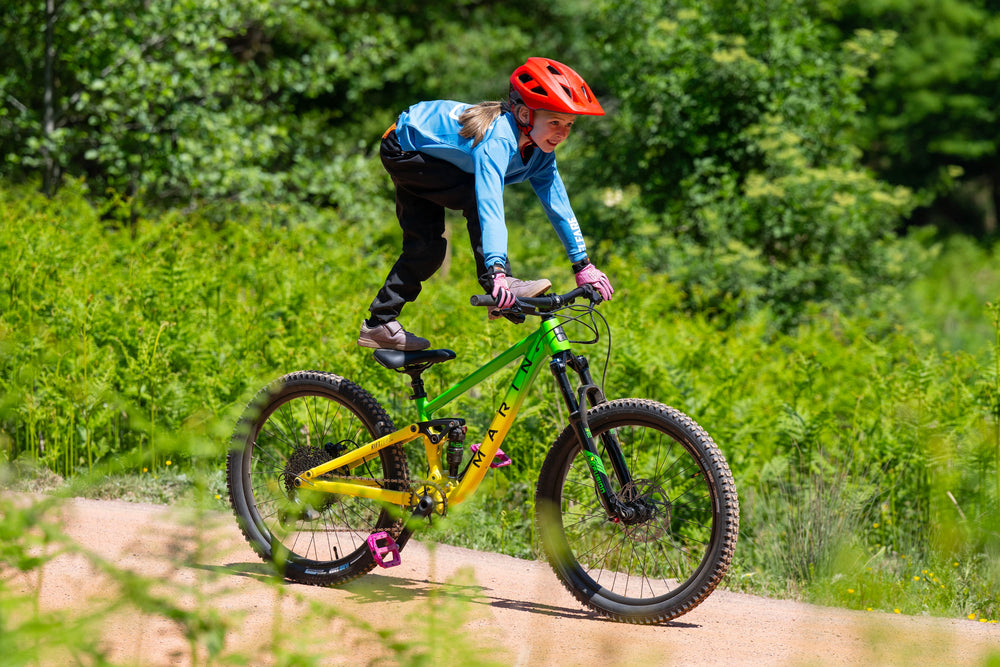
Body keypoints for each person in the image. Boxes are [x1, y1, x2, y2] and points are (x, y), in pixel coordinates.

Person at [358, 56, 614, 351]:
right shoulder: (498, 140)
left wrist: (582, 264)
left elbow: (559, 206)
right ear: (523, 114)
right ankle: (497, 288)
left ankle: (379, 323)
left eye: (569, 124)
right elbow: (489, 204)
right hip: (403, 148)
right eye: (554, 122)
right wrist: (497, 274)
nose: (562, 132)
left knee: (426, 251)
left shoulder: (542, 155)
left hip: (428, 158)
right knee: (474, 195)